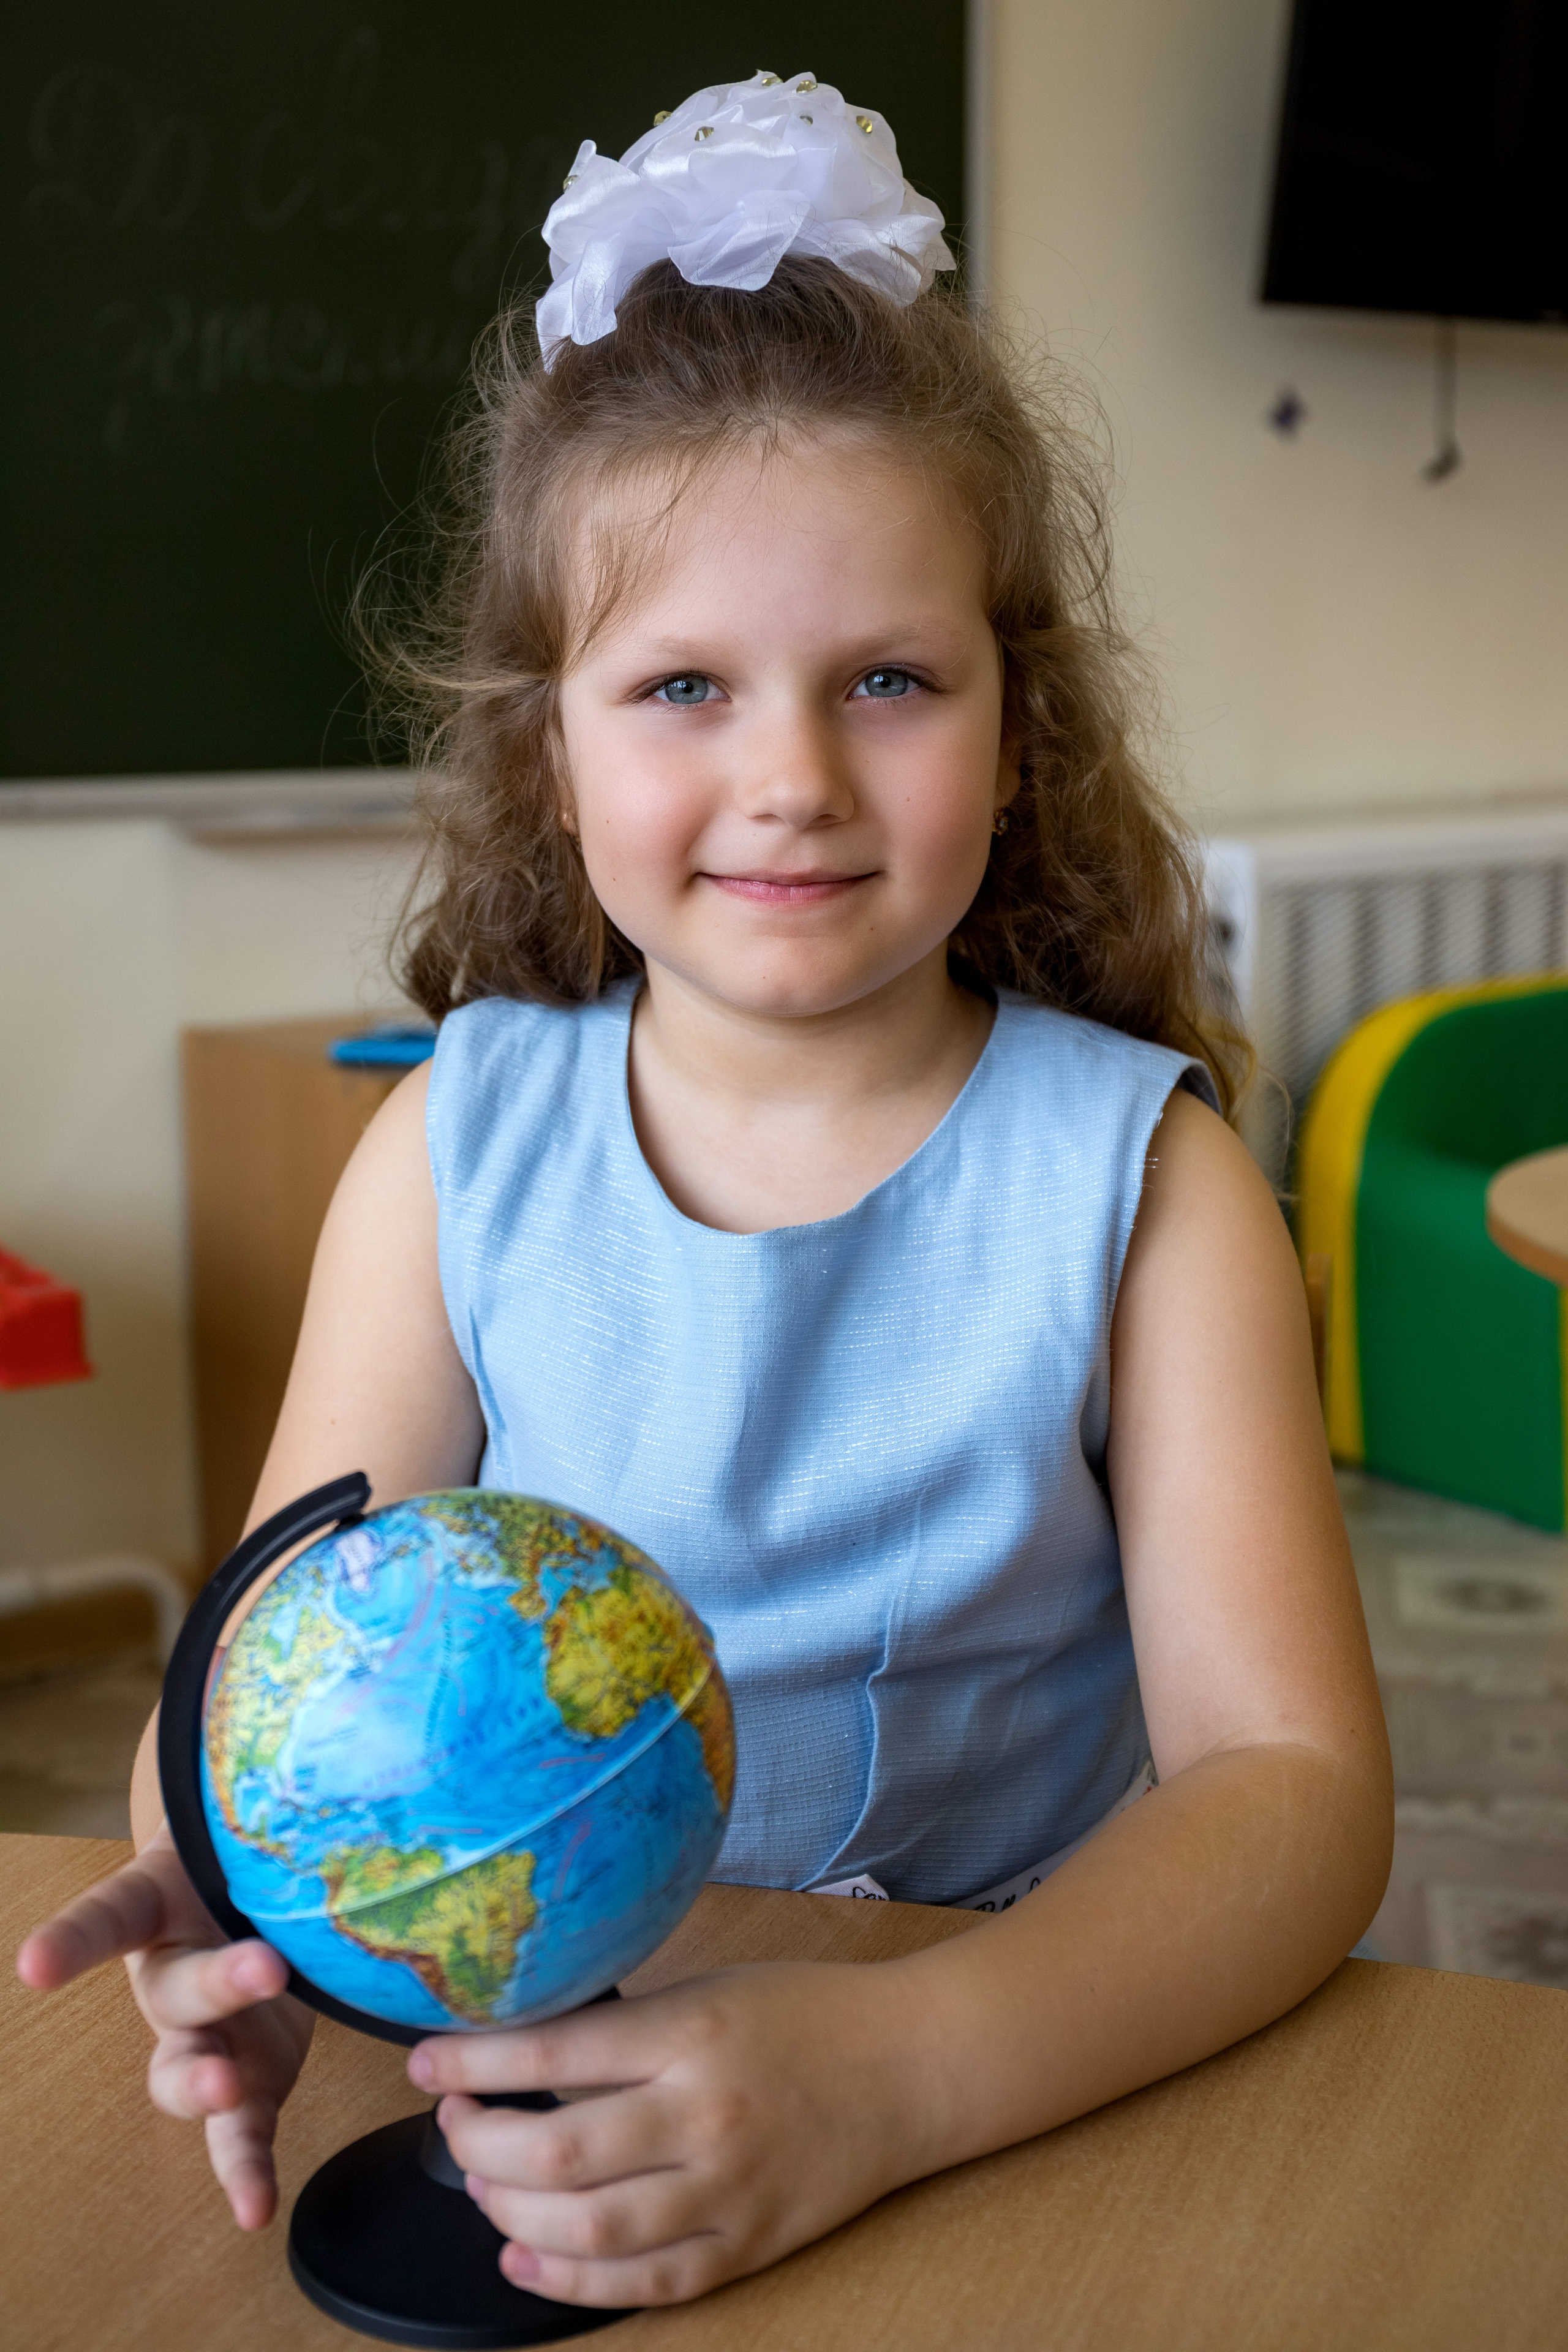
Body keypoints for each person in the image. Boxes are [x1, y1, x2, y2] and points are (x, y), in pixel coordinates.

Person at [18, 71, 1391, 2315]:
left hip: (1023, 2098)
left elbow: (1296, 1793)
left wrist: (911, 2069)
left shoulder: (1154, 1192)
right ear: (549, 754)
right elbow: (286, 1658)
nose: (794, 776)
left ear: (1014, 728)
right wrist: (240, 1890)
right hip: (538, 2098)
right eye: (679, 685)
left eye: (889, 679)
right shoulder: (451, 1155)